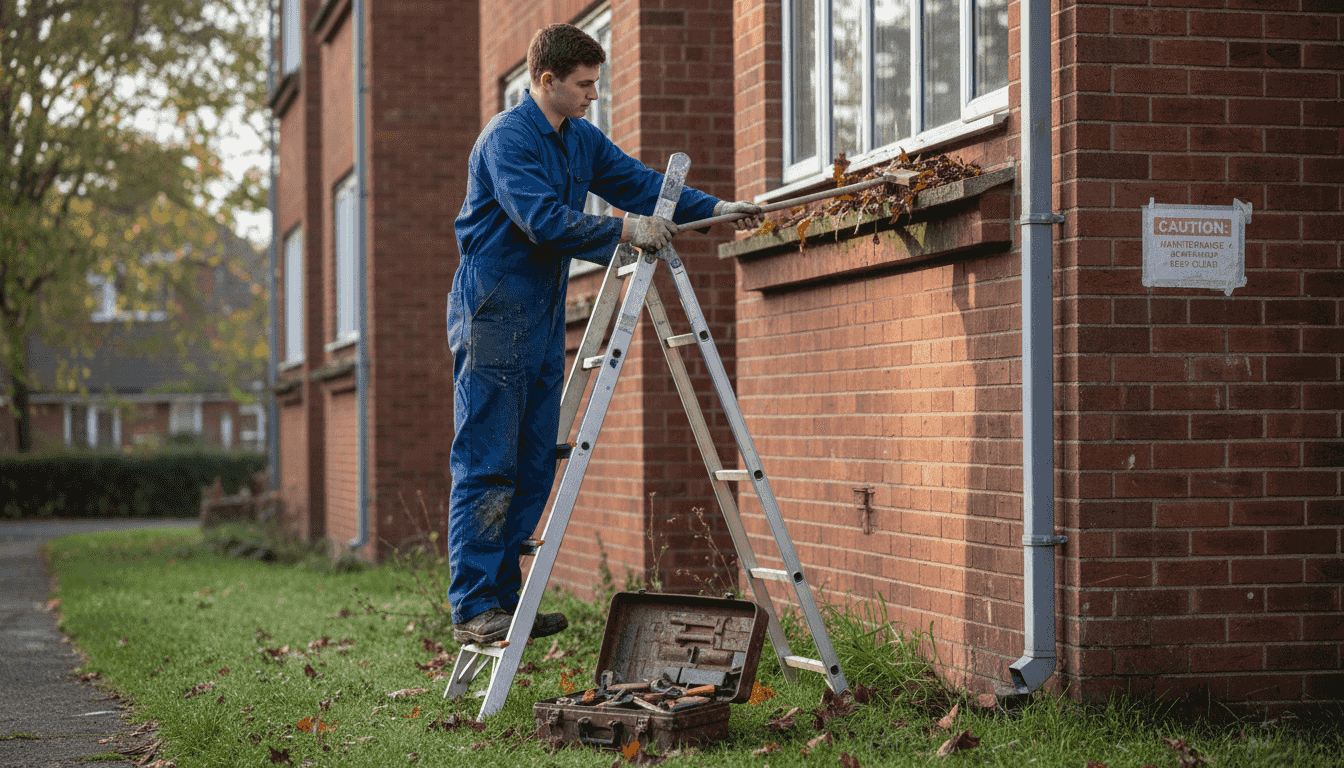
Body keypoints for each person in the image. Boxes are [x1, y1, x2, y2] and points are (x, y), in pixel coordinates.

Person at [447, 22, 762, 645]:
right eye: (584, 85)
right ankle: (473, 606)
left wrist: (714, 210)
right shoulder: (507, 141)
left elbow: (640, 185)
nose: (594, 94)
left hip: (539, 311)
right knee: (488, 459)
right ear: (547, 82)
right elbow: (539, 219)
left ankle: (505, 603)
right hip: (492, 308)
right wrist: (623, 232)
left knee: (536, 460)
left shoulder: (580, 139)